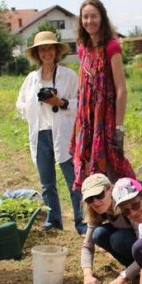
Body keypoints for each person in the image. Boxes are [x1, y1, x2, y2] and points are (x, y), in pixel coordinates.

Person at [16, 31, 85, 233]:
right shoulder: (31, 79)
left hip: (63, 134)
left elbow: (81, 104)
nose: (46, 52)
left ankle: (81, 222)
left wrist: (60, 102)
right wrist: (32, 107)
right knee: (47, 183)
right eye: (42, 49)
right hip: (40, 133)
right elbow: (19, 103)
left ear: (56, 51)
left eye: (50, 48)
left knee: (73, 181)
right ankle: (53, 220)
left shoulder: (69, 76)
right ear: (37, 53)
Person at [70, 0, 136, 190]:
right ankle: (95, 216)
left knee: (113, 171)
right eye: (85, 17)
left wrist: (119, 127)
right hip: (85, 121)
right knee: (89, 173)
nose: (89, 21)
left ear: (102, 18)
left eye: (94, 16)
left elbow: (121, 89)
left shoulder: (111, 46)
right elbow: (83, 88)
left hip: (105, 120)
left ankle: (126, 212)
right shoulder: (82, 48)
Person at [80, 173, 139, 284]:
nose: (95, 202)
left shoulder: (128, 205)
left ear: (110, 189)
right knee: (99, 233)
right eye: (90, 199)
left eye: (99, 195)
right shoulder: (96, 211)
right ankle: (132, 268)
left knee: (118, 239)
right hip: (134, 246)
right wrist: (88, 276)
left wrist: (121, 279)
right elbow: (87, 246)